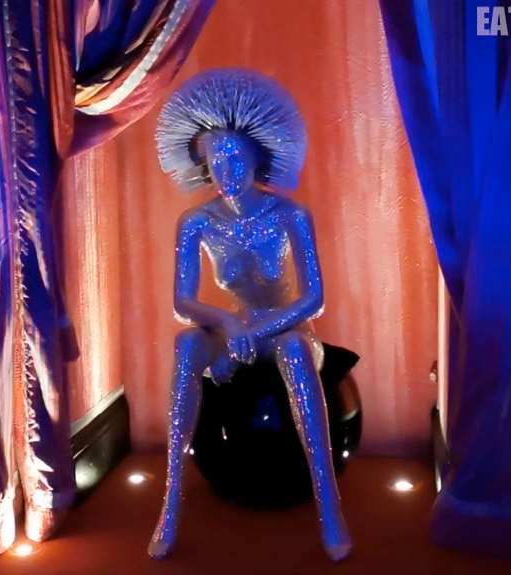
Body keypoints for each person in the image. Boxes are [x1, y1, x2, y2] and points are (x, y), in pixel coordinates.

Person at [147, 68, 352, 562]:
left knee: (296, 351)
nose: (226, 170)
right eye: (216, 160)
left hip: (284, 328)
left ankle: (330, 508)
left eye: (236, 158)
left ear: (259, 157)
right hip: (235, 329)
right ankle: (170, 504)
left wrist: (254, 329)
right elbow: (182, 302)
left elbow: (314, 298)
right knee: (185, 343)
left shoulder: (289, 215)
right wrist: (228, 323)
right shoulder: (197, 221)